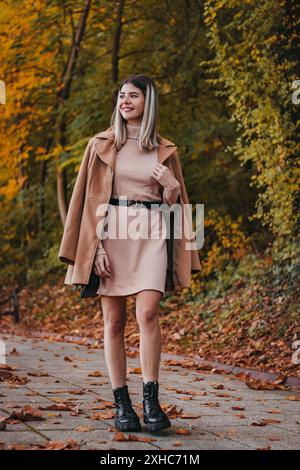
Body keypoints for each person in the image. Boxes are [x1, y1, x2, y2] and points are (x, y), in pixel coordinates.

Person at [58, 73, 201, 433]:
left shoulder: (165, 149)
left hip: (152, 231)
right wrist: (96, 248)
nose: (125, 101)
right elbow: (88, 201)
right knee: (114, 322)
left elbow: (175, 205)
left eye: (133, 96)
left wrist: (169, 187)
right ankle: (122, 404)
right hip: (112, 233)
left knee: (149, 313)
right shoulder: (101, 144)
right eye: (121, 96)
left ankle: (151, 401)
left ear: (147, 102)